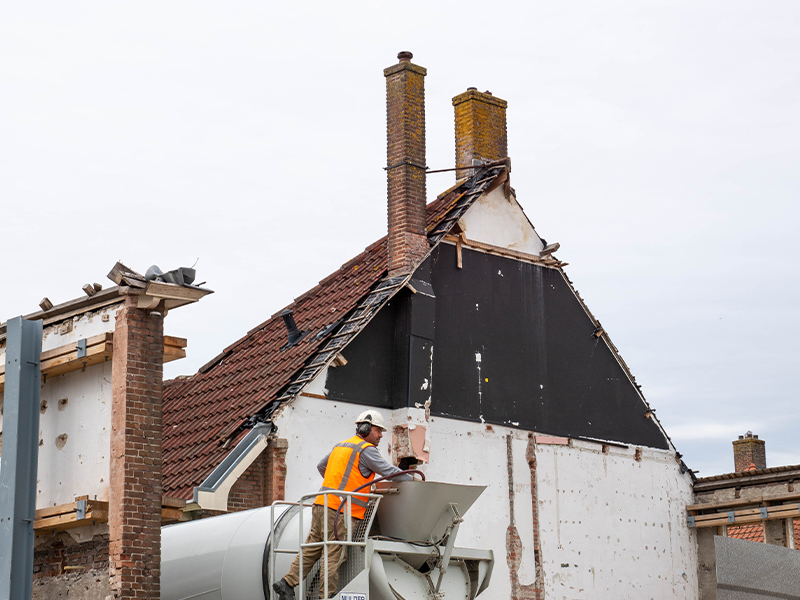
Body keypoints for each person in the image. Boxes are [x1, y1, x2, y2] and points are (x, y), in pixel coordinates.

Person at [272, 410, 413, 600]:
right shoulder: (366, 450)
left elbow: (322, 466)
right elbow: (387, 470)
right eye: (379, 430)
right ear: (366, 428)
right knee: (333, 554)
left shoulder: (341, 446)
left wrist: (338, 486)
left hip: (321, 504)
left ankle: (287, 583)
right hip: (341, 512)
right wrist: (412, 479)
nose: (381, 435)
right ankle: (326, 597)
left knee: (313, 547)